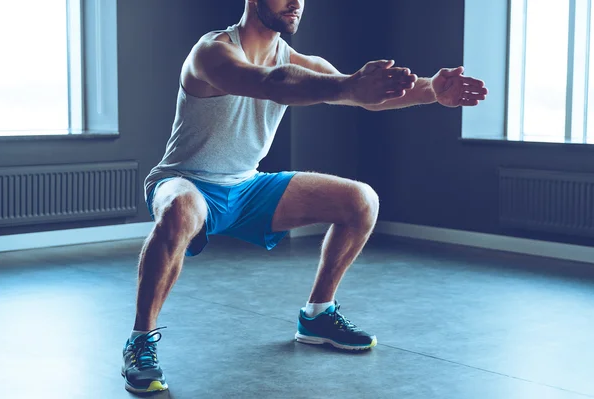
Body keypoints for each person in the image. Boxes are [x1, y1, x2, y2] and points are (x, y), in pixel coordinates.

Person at [120, 0, 488, 393]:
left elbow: (358, 93)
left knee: (361, 200)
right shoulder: (213, 52)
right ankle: (140, 340)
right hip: (186, 180)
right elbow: (273, 83)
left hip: (246, 186)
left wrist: (432, 89)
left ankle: (317, 315)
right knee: (181, 207)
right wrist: (347, 85)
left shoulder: (299, 59)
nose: (296, 2)